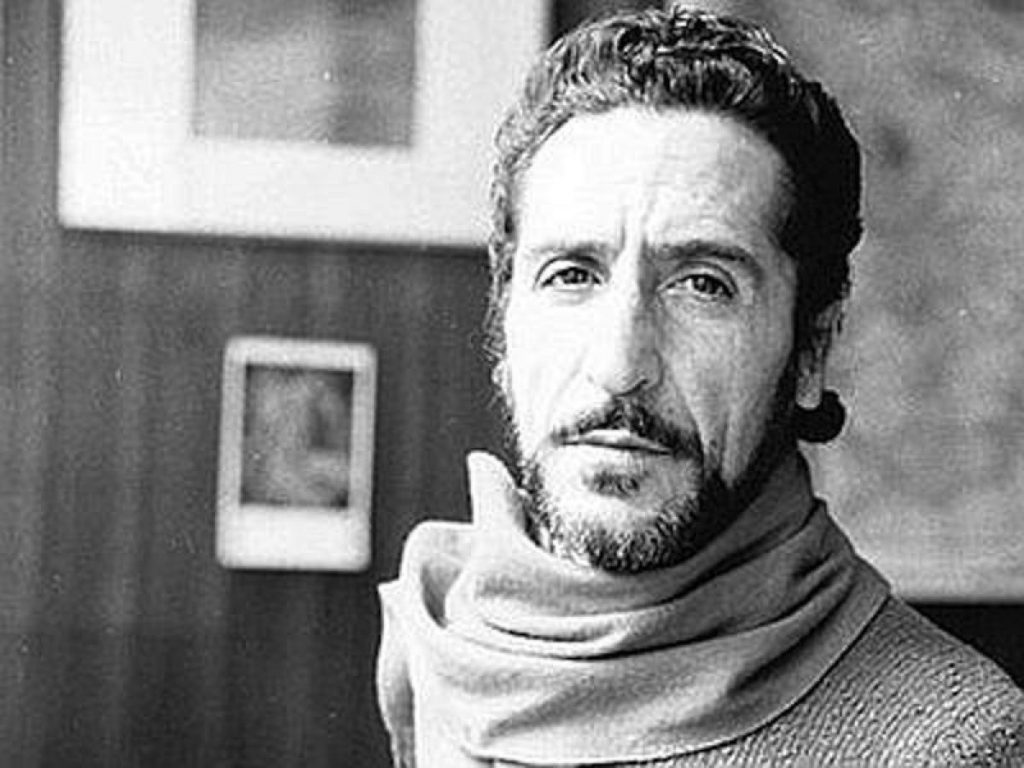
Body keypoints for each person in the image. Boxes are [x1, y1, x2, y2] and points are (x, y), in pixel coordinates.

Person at [376, 7, 1024, 766]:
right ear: (503, 320)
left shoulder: (950, 742)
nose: (620, 365)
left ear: (810, 350)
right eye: (571, 275)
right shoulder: (445, 630)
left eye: (703, 285)